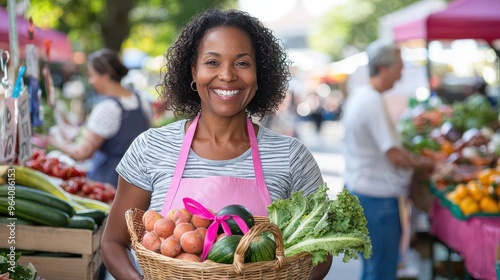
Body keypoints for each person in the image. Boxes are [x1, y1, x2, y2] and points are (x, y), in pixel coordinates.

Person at [101, 8, 331, 280]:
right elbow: (113, 241)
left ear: (259, 75)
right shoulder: (151, 147)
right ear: (193, 72)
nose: (227, 75)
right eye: (212, 62)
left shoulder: (292, 156)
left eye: (242, 63)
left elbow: (322, 251)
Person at [342, 41, 434, 280]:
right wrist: (426, 164)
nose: (401, 74)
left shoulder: (360, 95)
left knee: (372, 270)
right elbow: (394, 155)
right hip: (376, 201)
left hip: (360, 193)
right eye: (400, 67)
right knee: (381, 272)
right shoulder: (371, 100)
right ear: (384, 68)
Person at [49, 48, 152, 186]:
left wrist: (56, 141)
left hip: (108, 182)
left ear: (105, 75)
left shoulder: (107, 108)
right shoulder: (141, 100)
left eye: (92, 75)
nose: (91, 81)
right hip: (138, 182)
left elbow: (82, 153)